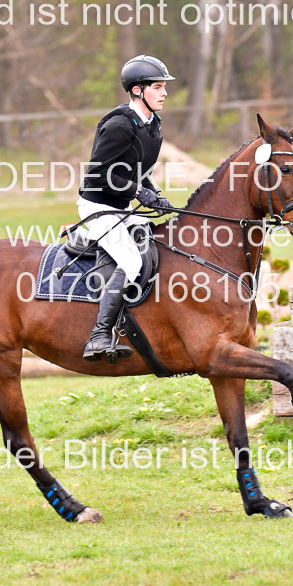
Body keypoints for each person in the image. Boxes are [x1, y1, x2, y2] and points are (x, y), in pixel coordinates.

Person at [77, 54, 175, 363]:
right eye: (158, 87)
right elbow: (98, 175)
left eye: (163, 87)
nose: (164, 93)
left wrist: (154, 195)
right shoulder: (119, 125)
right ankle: (98, 335)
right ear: (137, 90)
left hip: (120, 207)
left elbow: (139, 170)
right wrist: (137, 192)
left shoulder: (152, 124)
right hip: (98, 205)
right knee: (132, 263)